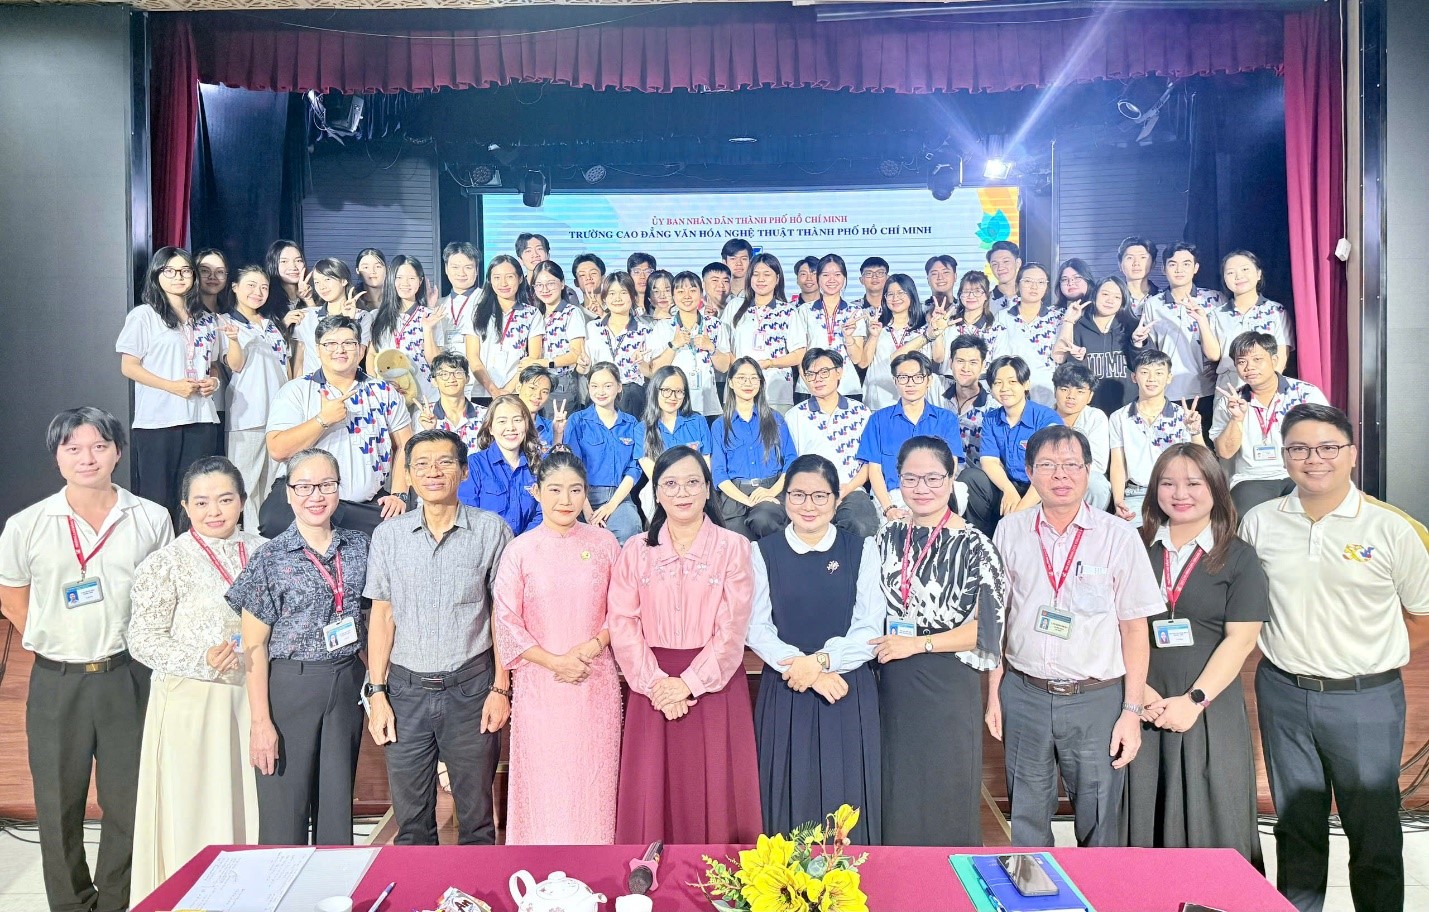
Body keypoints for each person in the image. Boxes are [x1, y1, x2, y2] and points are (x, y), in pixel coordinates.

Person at [1240, 403, 1429, 912]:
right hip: (1282, 692)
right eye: (1300, 449)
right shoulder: (1259, 522)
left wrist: (1365, 655)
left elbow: (1423, 615)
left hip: (1366, 700)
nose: (1314, 459)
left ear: (1351, 454)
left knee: (1373, 831)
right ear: (1284, 456)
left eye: (1328, 447)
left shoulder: (1391, 528)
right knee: (1296, 826)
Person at [0, 408, 174, 912]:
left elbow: (164, 594)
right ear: (56, 457)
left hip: (128, 676)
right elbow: (11, 596)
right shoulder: (27, 525)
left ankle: (117, 900)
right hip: (58, 681)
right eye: (72, 448)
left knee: (129, 801)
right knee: (58, 804)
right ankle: (72, 904)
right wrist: (53, 638)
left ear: (118, 451)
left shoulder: (150, 518)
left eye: (99, 446)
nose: (87, 458)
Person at [985, 424, 1163, 847]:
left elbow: (1134, 629)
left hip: (1096, 699)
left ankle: (1097, 888)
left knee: (1100, 819)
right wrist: (994, 693)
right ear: (1030, 471)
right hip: (1025, 693)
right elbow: (995, 618)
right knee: (1026, 817)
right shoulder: (1009, 531)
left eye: (1071, 465)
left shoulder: (1119, 537)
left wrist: (1131, 711)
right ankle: (1031, 886)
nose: (1060, 475)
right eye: (1048, 465)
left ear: (1088, 471)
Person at [363, 430, 512, 845]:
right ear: (409, 475)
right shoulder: (388, 536)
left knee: (477, 822)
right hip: (405, 694)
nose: (433, 471)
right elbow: (382, 616)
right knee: (412, 826)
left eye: (445, 462)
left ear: (463, 471)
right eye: (422, 464)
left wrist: (501, 688)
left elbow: (502, 616)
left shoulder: (491, 531)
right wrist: (377, 693)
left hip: (471, 691)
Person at [607, 446, 761, 843]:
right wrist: (658, 684)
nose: (682, 492)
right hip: (652, 686)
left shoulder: (734, 547)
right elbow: (622, 622)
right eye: (670, 484)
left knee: (716, 794)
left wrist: (688, 684)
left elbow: (733, 628)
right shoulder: (635, 549)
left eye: (693, 482)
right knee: (652, 796)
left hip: (714, 687)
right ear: (656, 493)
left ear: (708, 489)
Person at [1124, 444, 1267, 867]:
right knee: (1142, 815)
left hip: (1208, 706)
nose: (1180, 493)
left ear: (1216, 488)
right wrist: (1140, 693)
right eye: (1168, 483)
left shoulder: (1239, 556)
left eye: (1193, 483)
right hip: (1141, 702)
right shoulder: (1133, 546)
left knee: (1212, 819)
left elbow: (1241, 640)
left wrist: (1194, 701)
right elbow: (1113, 625)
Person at [128, 457, 263, 896]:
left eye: (225, 499)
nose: (214, 511)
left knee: (249, 805)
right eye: (201, 502)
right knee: (196, 808)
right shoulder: (165, 563)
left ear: (242, 501)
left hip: (255, 700)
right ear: (185, 507)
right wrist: (201, 658)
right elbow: (142, 639)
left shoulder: (266, 552)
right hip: (192, 704)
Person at [228, 448, 369, 845]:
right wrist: (261, 723)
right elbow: (254, 646)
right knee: (283, 813)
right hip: (291, 686)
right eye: (304, 486)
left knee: (336, 809)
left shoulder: (359, 546)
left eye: (326, 485)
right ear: (289, 494)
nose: (316, 496)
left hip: (347, 681)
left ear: (339, 489)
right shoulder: (269, 557)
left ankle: (333, 883)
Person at [873, 436, 1006, 845]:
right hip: (892, 682)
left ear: (951, 480)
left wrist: (919, 644)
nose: (922, 488)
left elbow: (987, 630)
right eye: (910, 478)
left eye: (933, 478)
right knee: (897, 794)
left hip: (947, 682)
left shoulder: (976, 545)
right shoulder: (886, 536)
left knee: (946, 793)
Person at [745, 455, 883, 842]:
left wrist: (821, 663)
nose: (809, 505)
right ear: (784, 498)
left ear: (837, 499)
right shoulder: (762, 552)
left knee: (846, 806)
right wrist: (806, 671)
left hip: (846, 690)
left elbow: (870, 628)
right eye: (799, 495)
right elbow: (756, 628)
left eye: (820, 496)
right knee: (788, 807)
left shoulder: (861, 549)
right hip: (787, 689)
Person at [493, 450, 622, 844]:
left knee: (594, 781)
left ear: (586, 493)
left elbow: (623, 608)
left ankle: (598, 867)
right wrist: (554, 662)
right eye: (554, 490)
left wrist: (594, 645)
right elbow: (505, 620)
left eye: (575, 490)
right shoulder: (520, 549)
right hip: (541, 687)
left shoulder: (605, 543)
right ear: (536, 491)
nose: (565, 500)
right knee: (544, 783)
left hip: (594, 682)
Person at [119, 246, 243, 524]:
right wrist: (171, 386)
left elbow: (213, 364)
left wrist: (213, 381)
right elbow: (129, 366)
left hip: (201, 419)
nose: (179, 276)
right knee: (157, 499)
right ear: (157, 274)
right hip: (159, 421)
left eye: (185, 271)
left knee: (196, 497)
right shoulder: (144, 316)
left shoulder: (205, 319)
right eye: (170, 271)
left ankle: (192, 546)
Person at [262, 314, 412, 538]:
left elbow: (406, 445)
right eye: (330, 344)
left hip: (365, 504)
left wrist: (399, 494)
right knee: (273, 522)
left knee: (398, 529)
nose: (340, 350)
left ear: (360, 350)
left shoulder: (384, 391)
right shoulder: (296, 391)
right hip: (307, 498)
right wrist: (322, 420)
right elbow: (277, 449)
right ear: (318, 349)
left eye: (348, 343)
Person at [1211, 332, 1330, 515]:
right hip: (1252, 478)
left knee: (1315, 513)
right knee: (1242, 514)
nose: (1249, 367)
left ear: (1274, 360)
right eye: (1242, 362)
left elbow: (1329, 439)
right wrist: (1236, 419)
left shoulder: (1305, 395)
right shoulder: (1230, 402)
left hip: (1300, 473)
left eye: (1257, 359)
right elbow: (1224, 452)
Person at [856, 351, 964, 524]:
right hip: (894, 496)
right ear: (895, 381)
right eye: (903, 378)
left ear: (929, 380)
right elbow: (874, 470)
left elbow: (952, 464)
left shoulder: (946, 419)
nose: (910, 383)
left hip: (936, 492)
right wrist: (889, 508)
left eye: (918, 377)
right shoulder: (878, 420)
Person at [965, 355, 1065, 535]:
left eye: (1012, 381)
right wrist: (1008, 489)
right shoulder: (991, 418)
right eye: (998, 383)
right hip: (1009, 485)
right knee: (970, 478)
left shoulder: (1046, 418)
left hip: (1040, 488)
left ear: (1026, 384)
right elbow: (989, 461)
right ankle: (980, 539)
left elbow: (1049, 472)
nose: (1005, 388)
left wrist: (1018, 512)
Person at [785, 349, 879, 538]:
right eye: (811, 374)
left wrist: (848, 488)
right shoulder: (795, 416)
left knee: (861, 524)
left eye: (823, 372)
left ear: (839, 372)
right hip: (809, 492)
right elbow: (790, 464)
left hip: (850, 488)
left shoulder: (861, 412)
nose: (817, 379)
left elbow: (869, 463)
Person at [224, 266, 289, 530]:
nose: (258, 292)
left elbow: (286, 367)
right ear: (235, 287)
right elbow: (235, 364)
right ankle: (248, 540)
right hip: (247, 417)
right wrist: (233, 340)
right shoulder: (225, 322)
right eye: (250, 285)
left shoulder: (272, 325)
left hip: (278, 417)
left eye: (263, 287)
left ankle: (267, 538)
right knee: (245, 485)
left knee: (272, 484)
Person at [1110, 349, 1202, 522]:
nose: (1151, 379)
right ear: (1134, 377)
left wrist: (1194, 431)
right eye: (1145, 372)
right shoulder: (1119, 417)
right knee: (1127, 535)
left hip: (1178, 492)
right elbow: (1118, 463)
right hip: (1137, 494)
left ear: (1169, 378)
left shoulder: (1183, 416)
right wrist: (1118, 501)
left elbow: (1202, 462)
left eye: (1159, 373)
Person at [714, 358, 798, 541]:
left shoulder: (776, 419)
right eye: (742, 378)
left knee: (763, 519)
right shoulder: (720, 425)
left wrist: (770, 492)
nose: (748, 383)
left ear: (760, 383)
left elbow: (791, 461)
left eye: (753, 378)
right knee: (736, 539)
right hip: (734, 495)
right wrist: (748, 500)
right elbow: (719, 473)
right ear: (730, 383)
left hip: (771, 489)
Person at [563, 362, 644, 544]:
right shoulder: (577, 421)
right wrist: (588, 511)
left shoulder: (631, 423)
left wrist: (611, 506)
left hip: (619, 497)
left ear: (619, 387)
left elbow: (634, 469)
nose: (601, 392)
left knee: (629, 529)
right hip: (582, 495)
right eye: (594, 386)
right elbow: (572, 467)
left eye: (607, 386)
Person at [723, 253, 809, 411]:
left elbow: (799, 354)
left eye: (767, 274)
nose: (760, 279)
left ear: (777, 279)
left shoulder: (788, 311)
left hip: (776, 391)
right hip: (740, 389)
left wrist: (770, 363)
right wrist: (741, 370)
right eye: (756, 274)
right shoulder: (735, 306)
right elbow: (723, 346)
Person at [1140, 242, 1222, 409]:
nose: (1179, 270)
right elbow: (1151, 351)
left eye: (1186, 264)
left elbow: (1227, 341)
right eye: (1172, 264)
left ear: (1196, 268)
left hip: (1208, 388)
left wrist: (1221, 366)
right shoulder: (1153, 304)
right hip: (1168, 390)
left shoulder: (1214, 299)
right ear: (1163, 269)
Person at [1207, 250, 1293, 392]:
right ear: (1224, 279)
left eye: (1245, 269)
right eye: (1230, 272)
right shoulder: (1216, 315)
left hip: (1266, 389)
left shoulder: (1276, 311)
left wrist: (1268, 389)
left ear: (1259, 274)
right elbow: (1214, 355)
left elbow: (1281, 356)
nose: (1238, 276)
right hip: (1229, 389)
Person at [648, 270, 730, 417]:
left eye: (692, 290)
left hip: (707, 405)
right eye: (680, 292)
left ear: (701, 293)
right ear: (673, 296)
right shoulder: (663, 327)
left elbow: (724, 367)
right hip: (673, 405)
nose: (687, 296)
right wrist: (674, 345)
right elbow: (655, 370)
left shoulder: (715, 325)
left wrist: (710, 347)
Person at [1053, 274, 1139, 414]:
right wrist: (1078, 358)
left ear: (1123, 301)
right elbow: (1062, 362)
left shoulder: (1132, 327)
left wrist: (1139, 344)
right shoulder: (1079, 327)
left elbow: (1146, 365)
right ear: (1095, 295)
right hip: (1088, 410)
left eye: (1117, 297)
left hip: (1127, 408)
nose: (1110, 300)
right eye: (1105, 294)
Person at [465, 254, 545, 404]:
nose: (503, 283)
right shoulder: (476, 312)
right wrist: (493, 390)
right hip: (482, 393)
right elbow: (473, 357)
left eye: (509, 277)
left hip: (518, 391)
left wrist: (508, 390)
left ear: (520, 278)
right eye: (497, 277)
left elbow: (533, 358)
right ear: (489, 280)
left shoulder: (532, 314)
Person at [458, 395, 542, 536]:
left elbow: (543, 513)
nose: (510, 427)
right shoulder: (474, 465)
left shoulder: (538, 464)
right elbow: (467, 516)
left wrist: (520, 544)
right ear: (490, 428)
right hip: (485, 544)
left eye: (517, 420)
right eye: (502, 421)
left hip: (528, 544)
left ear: (527, 425)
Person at [368, 255, 449, 402]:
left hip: (424, 396)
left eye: (411, 278)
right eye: (399, 278)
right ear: (391, 280)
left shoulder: (430, 316)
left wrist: (427, 330)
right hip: (387, 396)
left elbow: (436, 362)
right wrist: (377, 386)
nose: (405, 283)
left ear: (420, 281)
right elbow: (372, 355)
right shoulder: (377, 316)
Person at [581, 271, 656, 416]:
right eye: (612, 293)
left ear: (633, 296)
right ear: (604, 298)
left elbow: (650, 373)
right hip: (599, 393)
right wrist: (582, 365)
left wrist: (641, 363)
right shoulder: (593, 328)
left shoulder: (645, 330)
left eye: (623, 293)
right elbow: (584, 369)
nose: (617, 298)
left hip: (631, 395)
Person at [796, 253, 867, 401]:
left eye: (837, 274)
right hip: (811, 386)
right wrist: (810, 384)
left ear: (844, 278)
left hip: (846, 386)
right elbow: (799, 355)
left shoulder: (855, 312)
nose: (832, 279)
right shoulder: (804, 311)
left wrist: (848, 337)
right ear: (818, 278)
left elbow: (857, 359)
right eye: (825, 275)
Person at [291, 257, 371, 379]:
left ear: (344, 280)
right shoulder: (307, 316)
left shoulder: (362, 316)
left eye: (327, 279)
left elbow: (358, 355)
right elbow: (299, 359)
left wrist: (349, 321)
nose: (322, 286)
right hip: (312, 384)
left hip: (345, 382)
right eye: (317, 282)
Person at [994, 262, 1060, 405]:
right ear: (1018, 285)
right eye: (1028, 281)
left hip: (1048, 392)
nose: (1034, 286)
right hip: (1013, 390)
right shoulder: (1003, 317)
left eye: (1041, 282)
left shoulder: (1057, 317)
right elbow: (998, 358)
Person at [1052, 361, 1112, 510]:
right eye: (1064, 389)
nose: (1071, 396)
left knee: (1097, 484)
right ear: (1055, 391)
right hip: (1050, 475)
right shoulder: (1043, 416)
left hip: (1083, 476)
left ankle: (1090, 523)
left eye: (1080, 391)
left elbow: (1098, 464)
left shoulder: (1095, 417)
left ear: (1090, 396)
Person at [529, 260, 588, 412]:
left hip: (561, 383)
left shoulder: (571, 312)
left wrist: (543, 363)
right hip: (538, 381)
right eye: (539, 285)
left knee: (559, 425)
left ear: (562, 284)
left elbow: (576, 354)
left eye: (550, 283)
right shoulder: (537, 314)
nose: (545, 289)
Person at [419, 351, 486, 454]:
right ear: (434, 381)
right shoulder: (422, 417)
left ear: (467, 378)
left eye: (458, 373)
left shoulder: (485, 415)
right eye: (444, 374)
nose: (451, 379)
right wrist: (429, 431)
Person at [941, 334, 994, 462]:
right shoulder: (936, 386)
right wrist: (928, 337)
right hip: (938, 471)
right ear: (950, 363)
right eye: (960, 361)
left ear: (983, 365)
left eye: (973, 363)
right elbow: (900, 365)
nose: (966, 368)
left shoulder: (993, 408)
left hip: (977, 473)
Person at [515, 364, 562, 451]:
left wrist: (557, 435)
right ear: (518, 387)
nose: (538, 395)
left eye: (544, 392)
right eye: (533, 388)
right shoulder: (503, 423)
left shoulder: (551, 428)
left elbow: (558, 459)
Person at [264, 240, 312, 315]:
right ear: (273, 265)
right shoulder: (265, 300)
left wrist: (309, 300)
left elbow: (321, 322)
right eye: (284, 261)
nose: (293, 267)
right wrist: (284, 321)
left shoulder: (317, 294)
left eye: (298, 260)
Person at [1118, 236, 1160, 318]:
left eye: (1143, 257)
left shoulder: (1162, 298)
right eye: (1130, 258)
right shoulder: (1113, 298)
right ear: (1120, 265)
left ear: (1153, 264)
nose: (1136, 263)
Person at [194, 248, 233, 315]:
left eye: (220, 271)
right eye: (205, 271)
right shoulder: (187, 312)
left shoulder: (231, 312)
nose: (212, 277)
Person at [986, 240, 1022, 311]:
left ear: (1018, 263)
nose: (1000, 267)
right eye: (995, 264)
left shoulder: (1030, 296)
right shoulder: (984, 301)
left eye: (1006, 261)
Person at [573, 252, 606, 317]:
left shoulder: (615, 308)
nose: (588, 278)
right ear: (576, 282)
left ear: (603, 278)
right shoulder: (574, 314)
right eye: (582, 275)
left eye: (593, 273)